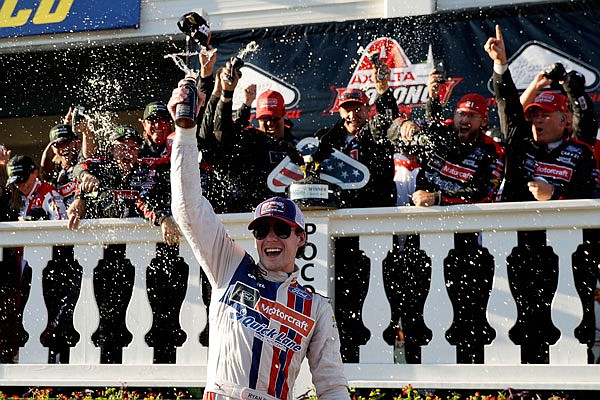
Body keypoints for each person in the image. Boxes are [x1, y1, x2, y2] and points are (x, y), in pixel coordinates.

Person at [168, 80, 350, 400]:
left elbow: (332, 385)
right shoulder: (229, 266)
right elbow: (188, 208)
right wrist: (184, 133)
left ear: (300, 238)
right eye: (262, 230)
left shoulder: (316, 307)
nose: (270, 237)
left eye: (281, 230)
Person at [485, 24, 599, 363]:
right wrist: (501, 68)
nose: (537, 121)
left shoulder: (580, 152)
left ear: (564, 119)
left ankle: (575, 382)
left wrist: (557, 196)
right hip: (522, 251)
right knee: (523, 320)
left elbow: (591, 198)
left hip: (570, 255)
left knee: (573, 321)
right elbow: (508, 110)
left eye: (544, 115)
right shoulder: (522, 148)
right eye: (534, 115)